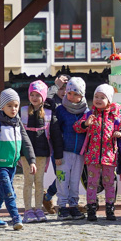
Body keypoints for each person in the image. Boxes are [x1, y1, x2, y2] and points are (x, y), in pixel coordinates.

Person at [0, 89, 36, 230]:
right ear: (2, 106)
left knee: (2, 191)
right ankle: (16, 218)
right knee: (9, 192)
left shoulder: (17, 122)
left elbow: (26, 142)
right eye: (9, 106)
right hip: (0, 165)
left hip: (12, 164)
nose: (13, 109)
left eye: (16, 106)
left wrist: (31, 160)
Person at [77, 84, 121, 221]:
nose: (98, 100)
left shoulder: (114, 117)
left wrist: (120, 133)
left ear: (109, 101)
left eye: (102, 97)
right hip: (92, 156)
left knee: (109, 183)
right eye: (96, 97)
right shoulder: (89, 114)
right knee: (91, 183)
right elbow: (77, 127)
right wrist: (85, 124)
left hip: (109, 157)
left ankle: (110, 208)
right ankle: (91, 208)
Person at [21, 80, 61, 223]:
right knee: (28, 181)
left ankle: (38, 208)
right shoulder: (23, 112)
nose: (34, 97)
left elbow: (55, 136)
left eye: (38, 95)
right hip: (26, 154)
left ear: (43, 97)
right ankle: (27, 210)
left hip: (42, 152)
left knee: (39, 182)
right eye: (32, 94)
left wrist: (58, 155)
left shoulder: (49, 114)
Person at [51, 77, 89, 220]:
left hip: (79, 153)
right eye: (69, 93)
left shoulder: (86, 112)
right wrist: (57, 154)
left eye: (75, 94)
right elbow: (55, 133)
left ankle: (73, 205)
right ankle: (61, 206)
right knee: (62, 180)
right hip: (64, 152)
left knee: (75, 181)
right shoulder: (60, 110)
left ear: (82, 95)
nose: (72, 97)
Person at [41, 74, 69, 213]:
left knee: (68, 176)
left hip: (71, 145)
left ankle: (48, 197)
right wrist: (55, 86)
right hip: (55, 145)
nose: (64, 91)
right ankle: (49, 197)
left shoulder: (73, 101)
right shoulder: (53, 103)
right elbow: (43, 100)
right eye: (61, 88)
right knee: (62, 176)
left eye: (66, 88)